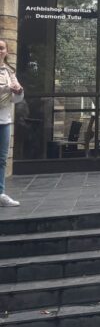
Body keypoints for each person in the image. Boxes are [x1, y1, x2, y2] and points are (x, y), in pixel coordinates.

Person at [0, 39, 24, 206]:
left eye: (1, 48)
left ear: (6, 51)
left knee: (2, 159)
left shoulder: (9, 72)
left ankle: (0, 194)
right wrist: (8, 89)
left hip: (4, 120)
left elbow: (16, 99)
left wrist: (19, 91)